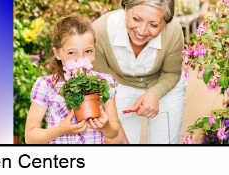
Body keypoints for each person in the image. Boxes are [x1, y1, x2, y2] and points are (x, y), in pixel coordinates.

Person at [93, 0, 186, 144]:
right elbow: (101, 81)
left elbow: (171, 73)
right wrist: (113, 122)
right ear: (126, 9)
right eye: (136, 19)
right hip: (118, 85)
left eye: (153, 25)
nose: (142, 31)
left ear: (164, 23)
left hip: (165, 83)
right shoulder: (100, 31)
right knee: (121, 140)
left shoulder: (173, 31)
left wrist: (154, 93)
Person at [25, 15, 127, 144]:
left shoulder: (105, 82)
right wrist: (61, 130)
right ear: (57, 53)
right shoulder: (46, 85)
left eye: (88, 51)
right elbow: (30, 138)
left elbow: (114, 131)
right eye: (72, 52)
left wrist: (105, 126)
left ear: (95, 49)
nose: (81, 59)